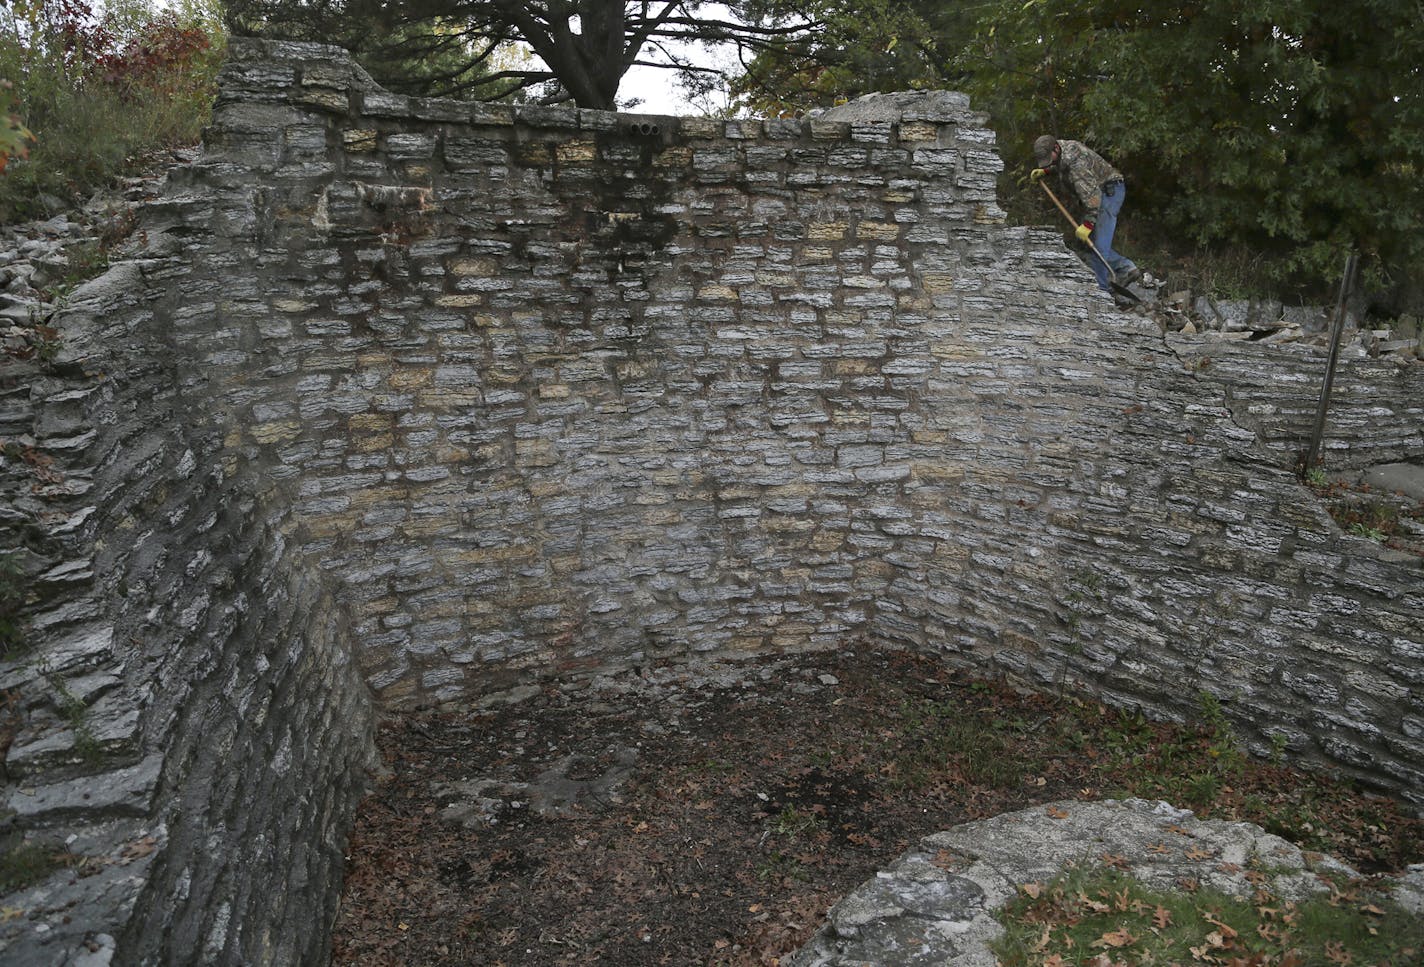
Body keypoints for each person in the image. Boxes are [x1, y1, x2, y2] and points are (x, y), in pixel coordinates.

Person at [1030, 135, 1142, 293]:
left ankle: (1101, 292)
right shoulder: (1063, 151)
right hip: (1101, 193)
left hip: (1109, 193)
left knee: (1099, 247)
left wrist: (1088, 224)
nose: (1049, 160)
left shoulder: (1077, 162)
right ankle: (1126, 268)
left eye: (1049, 158)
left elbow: (1093, 194)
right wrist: (1046, 171)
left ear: (1056, 148)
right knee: (1088, 245)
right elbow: (1060, 165)